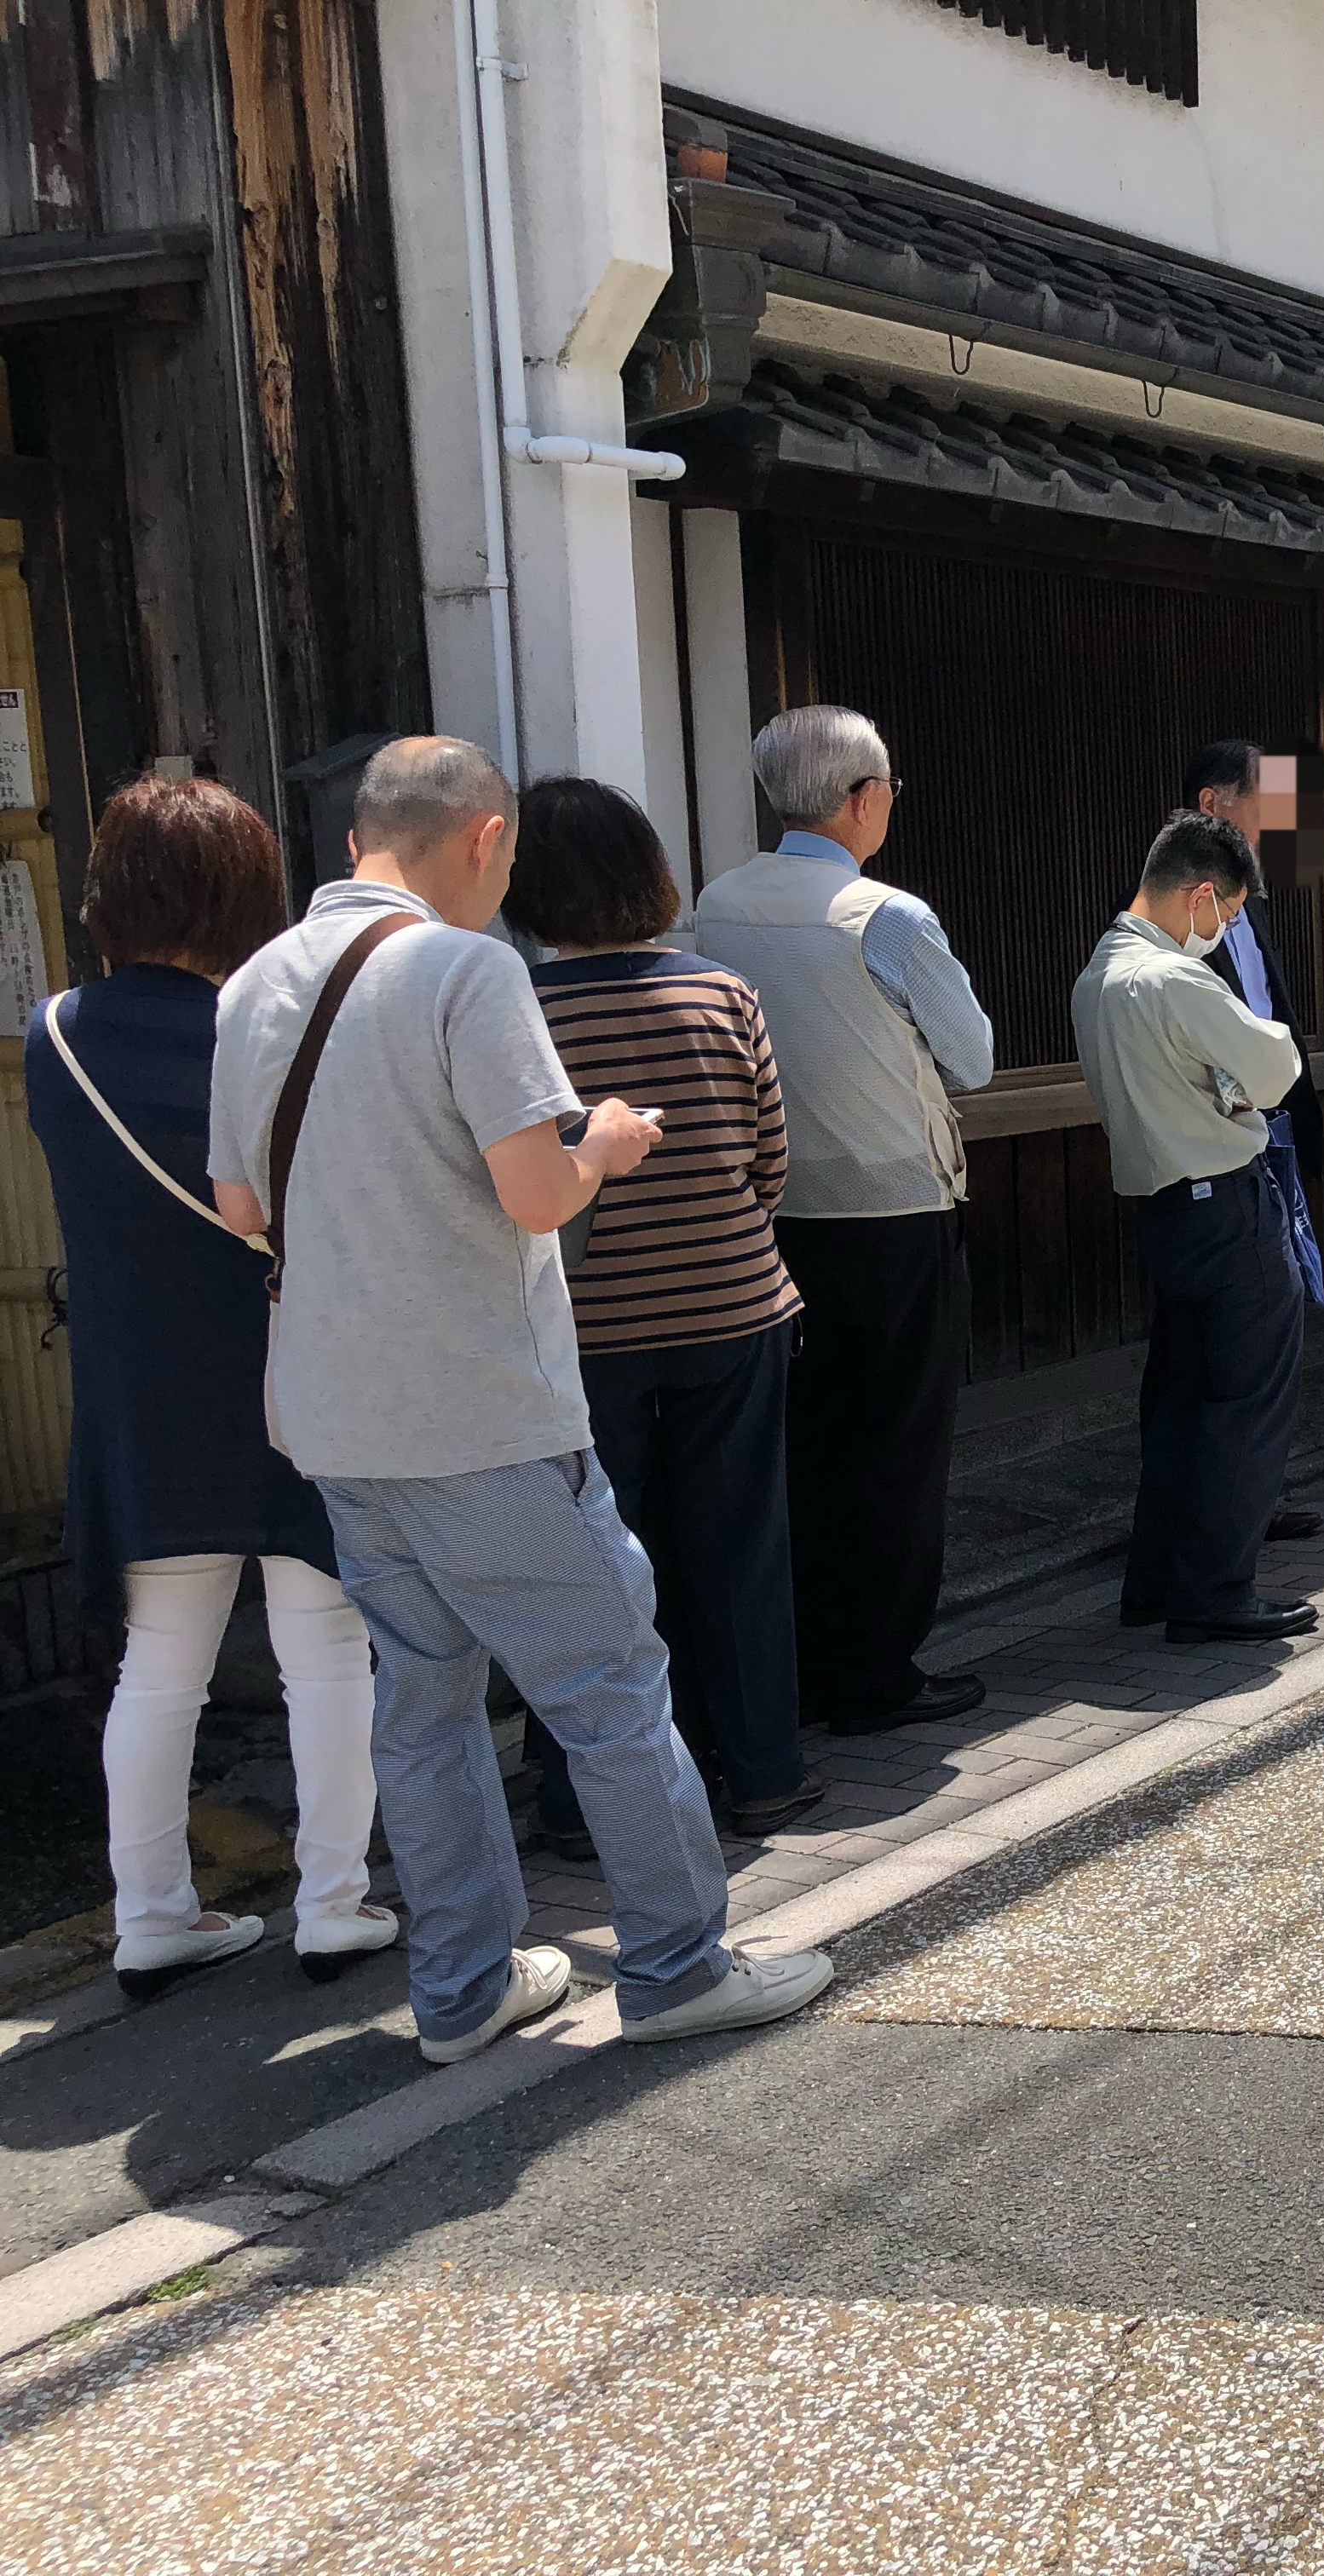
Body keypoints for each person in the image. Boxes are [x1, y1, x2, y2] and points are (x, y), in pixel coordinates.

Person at [210, 737, 828, 2064]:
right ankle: (676, 1964)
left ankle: (463, 1987)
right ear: (486, 839)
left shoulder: (259, 980)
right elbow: (537, 1196)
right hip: (484, 1410)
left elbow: (240, 1209)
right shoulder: (462, 967)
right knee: (609, 1684)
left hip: (336, 1417)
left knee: (425, 1705)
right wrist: (601, 1143)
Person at [26, 779, 389, 1999]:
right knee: (330, 1654)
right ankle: (335, 1904)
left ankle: (153, 1921)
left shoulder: (56, 1033)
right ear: (249, 894)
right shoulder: (272, 1026)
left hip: (145, 1392)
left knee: (158, 1670)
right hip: (297, 1367)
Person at [507, 776, 818, 1848]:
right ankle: (765, 1773)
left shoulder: (518, 1011)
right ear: (650, 873)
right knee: (740, 1544)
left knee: (590, 1561)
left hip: (579, 1332)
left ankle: (586, 1799)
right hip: (733, 1303)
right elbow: (771, 1156)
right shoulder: (720, 993)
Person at [689, 704, 992, 1739]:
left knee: (804, 1443)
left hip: (772, 1213)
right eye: (890, 790)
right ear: (863, 799)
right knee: (900, 1446)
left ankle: (805, 1658)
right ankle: (876, 1668)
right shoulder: (885, 915)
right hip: (896, 1208)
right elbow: (975, 1057)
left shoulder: (714, 906)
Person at [1075, 811, 1316, 1642]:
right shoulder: (1176, 981)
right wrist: (1236, 1082)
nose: (1229, 931)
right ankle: (1214, 1589)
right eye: (1233, 914)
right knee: (1247, 1403)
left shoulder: (1098, 975)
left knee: (1179, 1407)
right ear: (1204, 895)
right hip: (1228, 1206)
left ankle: (1155, 1584)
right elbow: (1278, 1065)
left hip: (1165, 1214)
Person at [1179, 739, 1324, 1541]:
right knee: (1238, 1323)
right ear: (1213, 805)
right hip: (1217, 1140)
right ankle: (1232, 1509)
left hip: (1272, 1124)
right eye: (1259, 802)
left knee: (1277, 1311)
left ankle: (1259, 1491)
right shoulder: (1177, 914)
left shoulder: (1250, 900)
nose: (1275, 822)